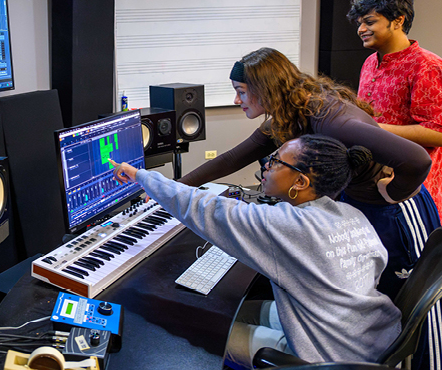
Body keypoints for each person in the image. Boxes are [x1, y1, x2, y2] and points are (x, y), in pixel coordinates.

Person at [110, 134, 402, 368]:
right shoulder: (350, 214)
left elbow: (205, 209)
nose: (267, 166)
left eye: (276, 162)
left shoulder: (289, 226)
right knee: (234, 309)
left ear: (300, 182)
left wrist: (140, 176)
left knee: (197, 329)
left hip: (330, 355)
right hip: (376, 337)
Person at [175, 47, 439, 302]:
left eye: (241, 92)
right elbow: (231, 159)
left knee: (403, 300)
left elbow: (417, 160)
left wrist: (393, 193)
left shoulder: (329, 118)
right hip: (363, 206)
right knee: (374, 295)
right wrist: (172, 188)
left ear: (264, 90)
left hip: (396, 213)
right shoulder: (291, 114)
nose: (236, 101)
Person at [347, 0, 442, 216]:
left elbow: (438, 133)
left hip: (411, 188)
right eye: (359, 23)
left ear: (398, 21)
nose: (361, 30)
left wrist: (373, 130)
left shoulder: (427, 65)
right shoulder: (370, 62)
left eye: (369, 22)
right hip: (370, 182)